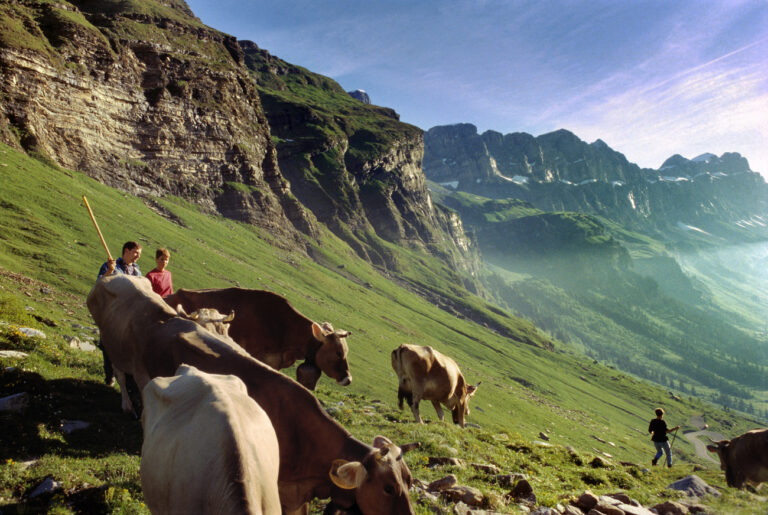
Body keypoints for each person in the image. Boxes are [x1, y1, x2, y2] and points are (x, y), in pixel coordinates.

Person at [96, 241, 142, 385]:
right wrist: (110, 271)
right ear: (126, 251)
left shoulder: (136, 270)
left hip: (130, 314)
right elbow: (100, 284)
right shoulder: (110, 266)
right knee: (108, 344)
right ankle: (109, 376)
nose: (137, 257)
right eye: (135, 253)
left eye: (139, 254)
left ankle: (126, 379)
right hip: (113, 313)